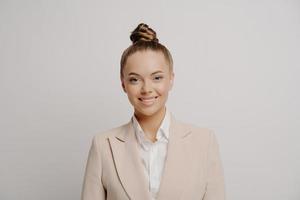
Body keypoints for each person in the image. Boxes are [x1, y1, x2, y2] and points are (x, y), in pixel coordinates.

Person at [81, 23, 225, 200]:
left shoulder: (204, 142)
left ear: (171, 79)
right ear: (123, 83)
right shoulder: (103, 145)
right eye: (135, 79)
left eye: (157, 77)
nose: (147, 89)